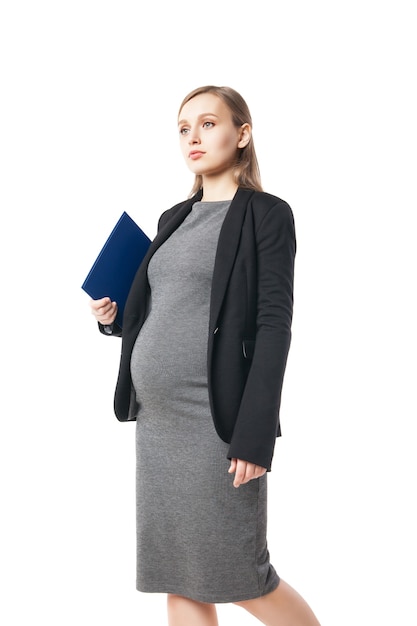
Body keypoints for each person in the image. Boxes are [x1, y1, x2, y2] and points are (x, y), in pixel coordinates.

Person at [90, 85, 320, 626]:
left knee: (244, 576)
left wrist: (255, 435)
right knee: (178, 575)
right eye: (183, 128)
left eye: (208, 123)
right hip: (159, 424)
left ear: (242, 135)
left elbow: (273, 326)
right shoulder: (173, 217)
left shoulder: (267, 215)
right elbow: (166, 307)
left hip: (218, 423)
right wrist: (116, 319)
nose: (193, 136)